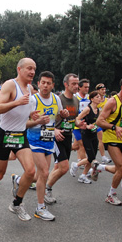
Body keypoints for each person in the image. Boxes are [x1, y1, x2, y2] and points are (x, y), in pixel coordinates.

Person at [0, 58, 38, 222]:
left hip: (20, 135)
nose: (32, 72)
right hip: (4, 135)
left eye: (34, 69)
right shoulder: (10, 85)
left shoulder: (30, 89)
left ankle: (17, 203)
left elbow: (27, 109)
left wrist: (33, 114)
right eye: (29, 68)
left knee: (31, 171)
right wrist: (17, 102)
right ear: (19, 69)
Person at [16, 71, 66, 220]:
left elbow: (56, 119)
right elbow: (23, 123)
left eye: (48, 83)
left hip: (49, 140)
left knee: (39, 175)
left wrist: (62, 116)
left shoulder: (56, 99)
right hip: (33, 140)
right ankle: (40, 208)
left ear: (53, 85)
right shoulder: (32, 100)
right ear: (38, 84)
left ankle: (18, 180)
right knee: (44, 173)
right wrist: (37, 122)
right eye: (43, 82)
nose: (45, 85)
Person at [96, 76, 122, 205]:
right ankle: (111, 195)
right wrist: (115, 127)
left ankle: (99, 167)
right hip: (110, 137)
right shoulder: (113, 102)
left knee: (121, 168)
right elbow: (99, 121)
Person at [45, 73, 82, 202]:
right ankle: (46, 189)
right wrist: (54, 130)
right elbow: (49, 119)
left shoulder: (76, 100)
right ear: (66, 84)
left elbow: (74, 118)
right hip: (57, 137)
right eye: (74, 84)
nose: (77, 86)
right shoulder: (58, 100)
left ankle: (38, 185)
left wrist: (80, 124)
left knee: (57, 168)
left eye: (77, 84)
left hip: (68, 137)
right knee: (64, 168)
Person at [72, 89, 103, 182]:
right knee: (91, 158)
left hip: (94, 135)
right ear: (92, 99)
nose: (99, 98)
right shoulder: (87, 109)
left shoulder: (98, 110)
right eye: (97, 97)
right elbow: (77, 118)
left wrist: (97, 125)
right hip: (86, 135)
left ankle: (83, 175)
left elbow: (98, 121)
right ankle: (76, 165)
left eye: (100, 97)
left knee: (92, 158)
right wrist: (86, 126)